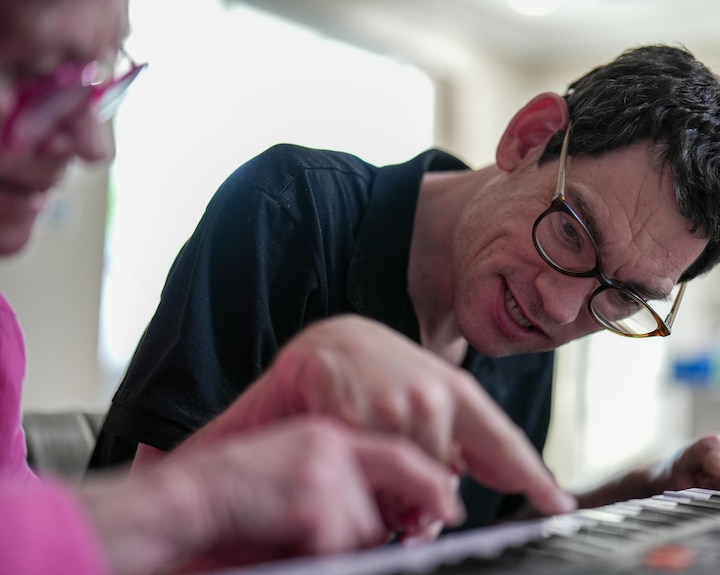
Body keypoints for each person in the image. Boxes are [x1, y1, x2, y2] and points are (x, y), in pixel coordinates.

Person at [90, 42, 720, 531]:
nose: (559, 307)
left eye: (623, 295)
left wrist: (654, 487)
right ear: (529, 136)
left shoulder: (536, 302)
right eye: (574, 228)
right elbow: (147, 517)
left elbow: (497, 522)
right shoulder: (290, 208)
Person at [0, 0, 491, 572]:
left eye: (101, 74)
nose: (94, 145)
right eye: (33, 70)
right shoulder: (291, 201)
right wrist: (207, 498)